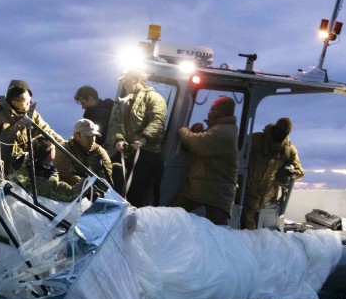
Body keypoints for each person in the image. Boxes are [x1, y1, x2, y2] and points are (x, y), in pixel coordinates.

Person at [170, 96, 240, 226]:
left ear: (221, 113)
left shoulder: (224, 131)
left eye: (213, 109)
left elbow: (199, 144)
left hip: (215, 192)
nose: (209, 112)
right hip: (208, 189)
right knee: (174, 213)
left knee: (216, 231)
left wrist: (183, 129)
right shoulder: (220, 129)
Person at [107, 70, 168, 207]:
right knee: (112, 183)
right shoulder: (123, 102)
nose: (124, 83)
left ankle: (134, 223)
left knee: (136, 193)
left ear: (135, 79)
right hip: (125, 153)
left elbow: (158, 121)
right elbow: (115, 123)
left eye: (126, 80)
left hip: (145, 154)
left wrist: (144, 139)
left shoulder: (155, 98)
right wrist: (118, 140)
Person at [0, 80, 63, 175]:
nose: (30, 104)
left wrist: (63, 144)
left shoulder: (30, 114)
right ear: (14, 102)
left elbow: (46, 131)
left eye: (30, 101)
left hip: (25, 163)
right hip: (1, 166)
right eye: (26, 102)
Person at [241, 117, 305, 229]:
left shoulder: (289, 150)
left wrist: (292, 172)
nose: (282, 134)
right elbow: (239, 153)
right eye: (280, 130)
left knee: (262, 228)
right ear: (275, 128)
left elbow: (300, 171)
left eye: (285, 132)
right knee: (247, 226)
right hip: (247, 191)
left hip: (268, 197)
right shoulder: (256, 140)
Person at [11, 136, 85, 202]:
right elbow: (72, 194)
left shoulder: (20, 163)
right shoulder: (48, 182)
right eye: (54, 149)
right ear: (51, 154)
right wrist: (87, 180)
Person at [53, 118, 114, 190]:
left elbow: (107, 175)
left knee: (118, 168)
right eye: (88, 137)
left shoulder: (100, 151)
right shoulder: (63, 150)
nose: (92, 140)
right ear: (77, 136)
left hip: (99, 190)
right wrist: (87, 186)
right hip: (74, 193)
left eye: (94, 136)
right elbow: (67, 175)